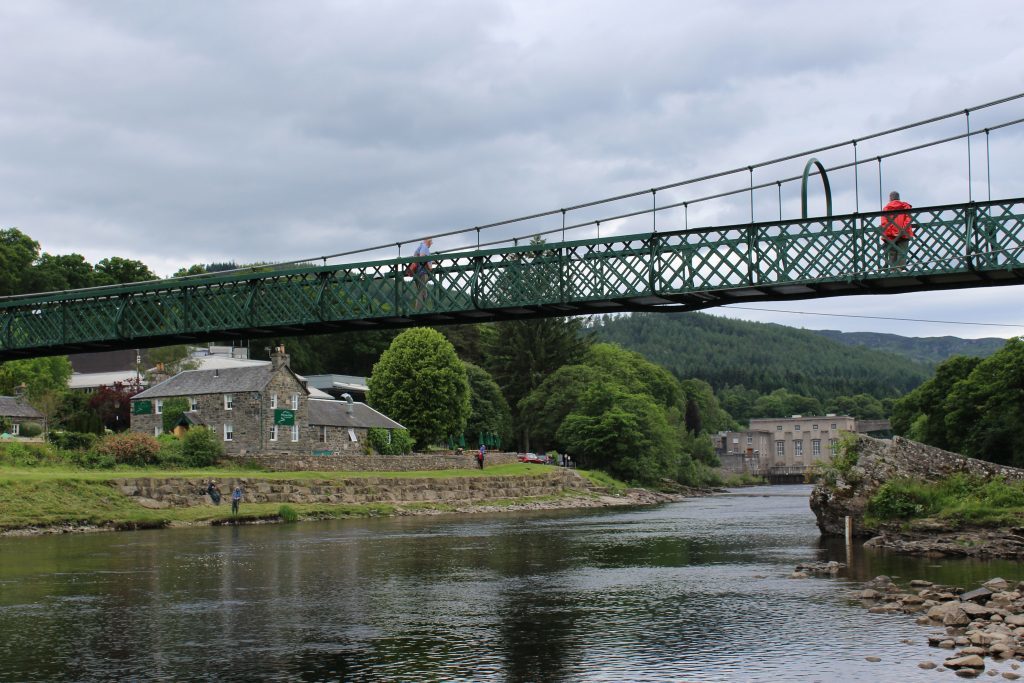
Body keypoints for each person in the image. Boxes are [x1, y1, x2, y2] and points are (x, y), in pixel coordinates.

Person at [880, 191, 914, 270]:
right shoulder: (905, 206)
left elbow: (884, 223)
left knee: (892, 253)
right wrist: (902, 231)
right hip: (904, 234)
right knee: (902, 252)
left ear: (890, 198)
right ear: (898, 198)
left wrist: (893, 232)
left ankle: (893, 269)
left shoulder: (886, 208)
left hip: (890, 235)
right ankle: (901, 269)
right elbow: (908, 220)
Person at [410, 238, 433, 308]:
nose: (431, 244)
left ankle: (424, 307)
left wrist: (431, 262)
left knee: (422, 291)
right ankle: (419, 309)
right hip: (423, 272)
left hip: (418, 272)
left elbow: (416, 256)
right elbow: (422, 255)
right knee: (421, 291)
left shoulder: (420, 246)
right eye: (431, 242)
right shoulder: (424, 246)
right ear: (428, 242)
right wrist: (429, 264)